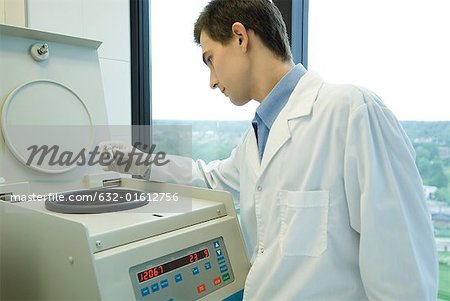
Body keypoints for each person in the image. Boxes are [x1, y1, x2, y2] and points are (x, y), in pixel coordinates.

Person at [102, 0, 438, 299]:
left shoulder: (350, 111)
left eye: (210, 59)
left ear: (240, 37)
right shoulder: (257, 139)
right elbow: (210, 178)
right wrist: (136, 162)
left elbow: (402, 267)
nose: (212, 81)